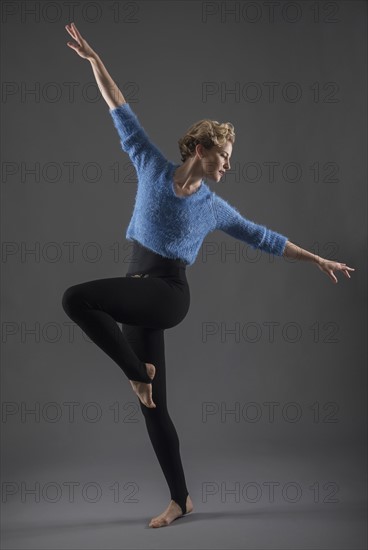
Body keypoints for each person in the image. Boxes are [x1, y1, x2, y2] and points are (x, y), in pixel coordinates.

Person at [62, 22, 356, 528]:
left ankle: (136, 373)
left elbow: (266, 237)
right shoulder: (152, 167)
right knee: (155, 410)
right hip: (138, 290)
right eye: (225, 156)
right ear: (200, 150)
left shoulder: (214, 208)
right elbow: (120, 108)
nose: (229, 165)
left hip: (170, 293)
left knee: (76, 299)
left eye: (231, 158)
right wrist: (94, 61)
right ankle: (181, 499)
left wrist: (320, 259)